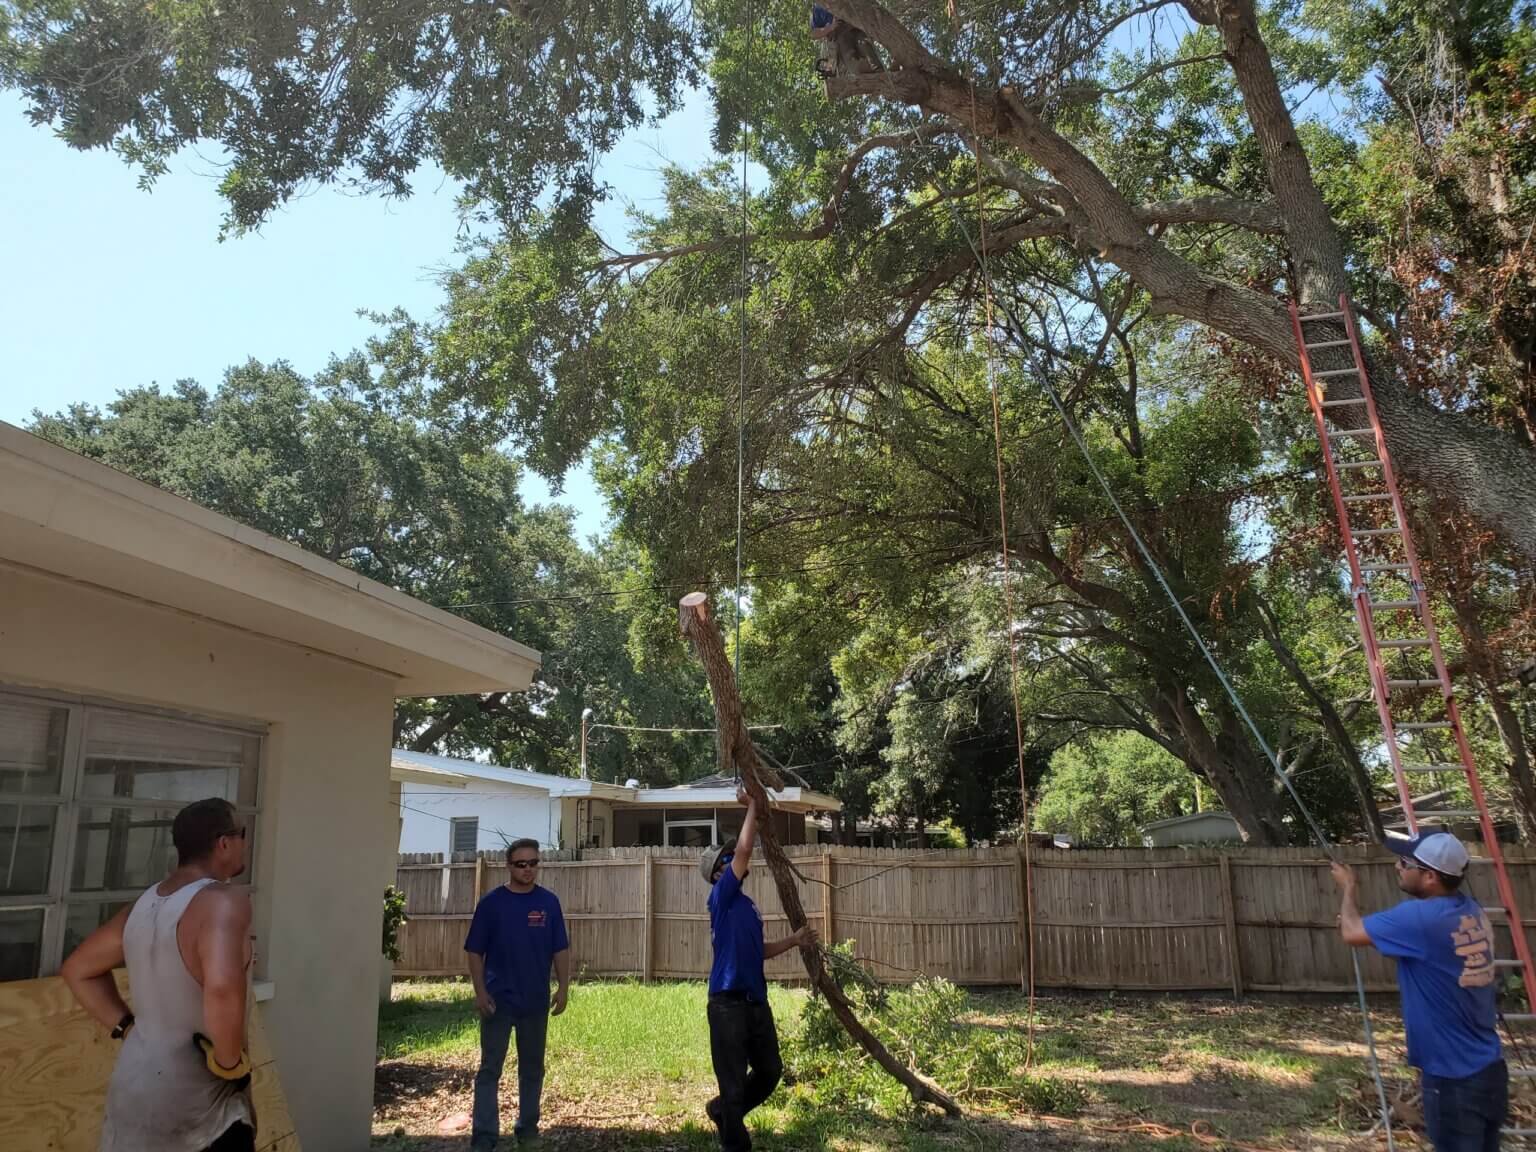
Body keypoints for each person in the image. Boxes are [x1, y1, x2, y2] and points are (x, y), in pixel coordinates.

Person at [62, 797, 256, 1152]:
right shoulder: (223, 901)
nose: (245, 842)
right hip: (199, 1114)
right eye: (242, 834)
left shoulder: (142, 906)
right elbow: (222, 989)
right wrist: (230, 1064)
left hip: (131, 1098)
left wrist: (126, 1027)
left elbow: (78, 970)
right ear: (224, 843)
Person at [1332, 830, 1507, 1152]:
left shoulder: (1421, 918)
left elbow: (1352, 932)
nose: (1397, 867)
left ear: (1429, 877)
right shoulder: (1469, 910)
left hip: (1454, 1079)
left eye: (1405, 862)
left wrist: (1349, 887)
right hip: (1488, 1070)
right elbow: (1426, 954)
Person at [699, 786, 817, 1151]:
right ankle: (735, 1140)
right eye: (727, 857)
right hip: (727, 1005)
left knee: (769, 1072)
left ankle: (723, 1111)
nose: (734, 857)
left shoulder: (746, 906)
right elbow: (746, 849)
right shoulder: (721, 896)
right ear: (718, 872)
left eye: (731, 854)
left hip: (755, 1002)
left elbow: (757, 951)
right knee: (733, 1084)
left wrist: (793, 941)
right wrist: (752, 805)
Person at [465, 838, 570, 1149]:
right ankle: (485, 1136)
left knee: (533, 1069)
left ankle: (527, 1129)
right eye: (521, 864)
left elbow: (560, 949)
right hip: (497, 1001)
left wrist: (563, 987)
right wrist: (480, 991)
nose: (528, 869)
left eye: (533, 863)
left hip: (535, 1001)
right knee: (490, 1069)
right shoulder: (491, 904)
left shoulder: (549, 903)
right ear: (508, 866)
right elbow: (474, 951)